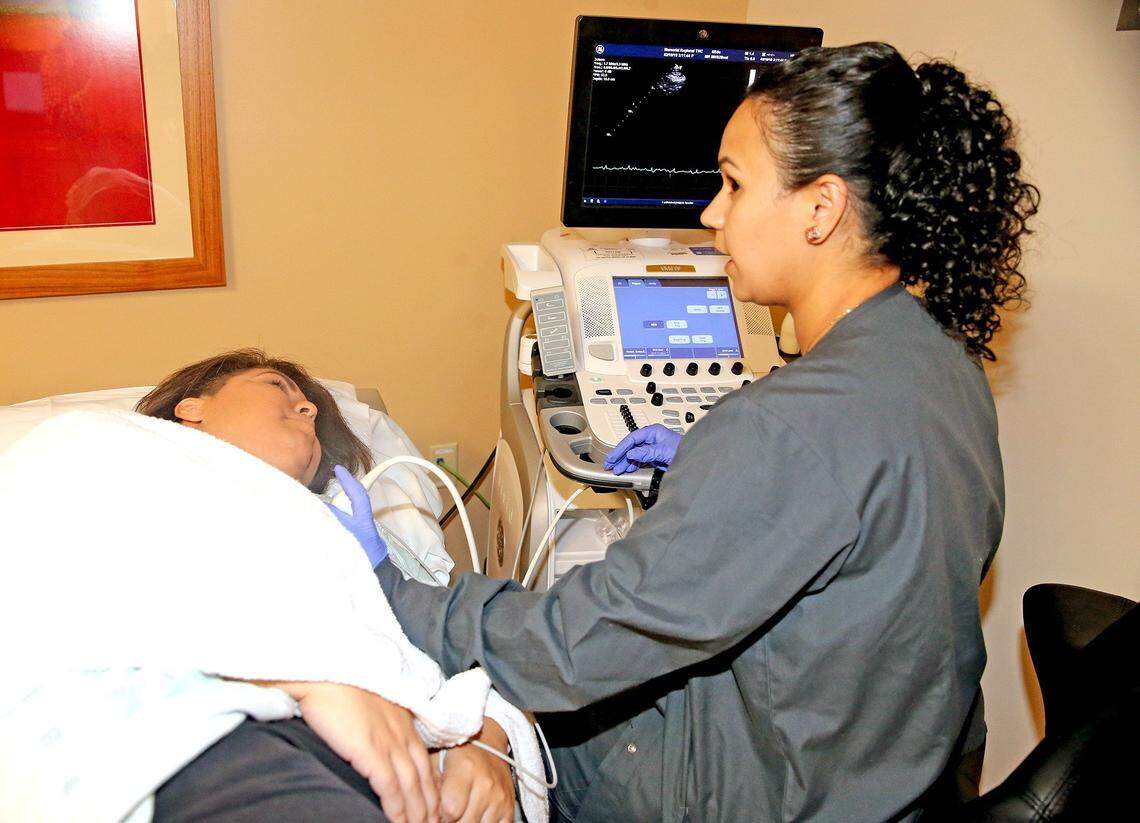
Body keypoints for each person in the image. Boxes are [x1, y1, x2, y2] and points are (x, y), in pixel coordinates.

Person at [338, 43, 1040, 821]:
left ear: (822, 208)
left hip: (771, 792)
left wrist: (396, 588)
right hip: (891, 768)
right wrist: (703, 472)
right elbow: (843, 528)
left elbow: (569, 648)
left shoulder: (783, 431)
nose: (711, 213)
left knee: (527, 719)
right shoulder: (943, 363)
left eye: (734, 184)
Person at [134, 350, 519, 823]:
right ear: (193, 409)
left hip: (406, 777)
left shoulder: (363, 534)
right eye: (276, 386)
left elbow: (483, 651)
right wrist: (294, 681)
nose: (310, 409)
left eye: (312, 408)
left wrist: (488, 739)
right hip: (232, 752)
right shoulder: (115, 475)